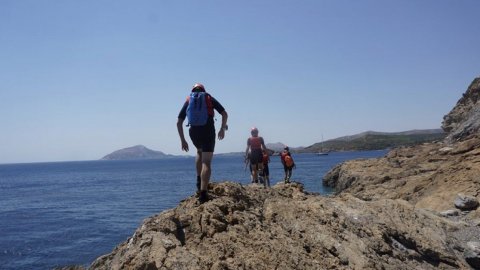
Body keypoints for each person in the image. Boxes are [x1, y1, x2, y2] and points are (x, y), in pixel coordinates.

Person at [177, 83, 228, 204]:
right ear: (203, 90)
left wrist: (183, 140)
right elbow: (224, 113)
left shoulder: (189, 99)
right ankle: (203, 194)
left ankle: (199, 181)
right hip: (208, 130)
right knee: (207, 162)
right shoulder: (208, 97)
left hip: (193, 132)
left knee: (199, 151)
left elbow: (179, 122)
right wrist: (222, 129)